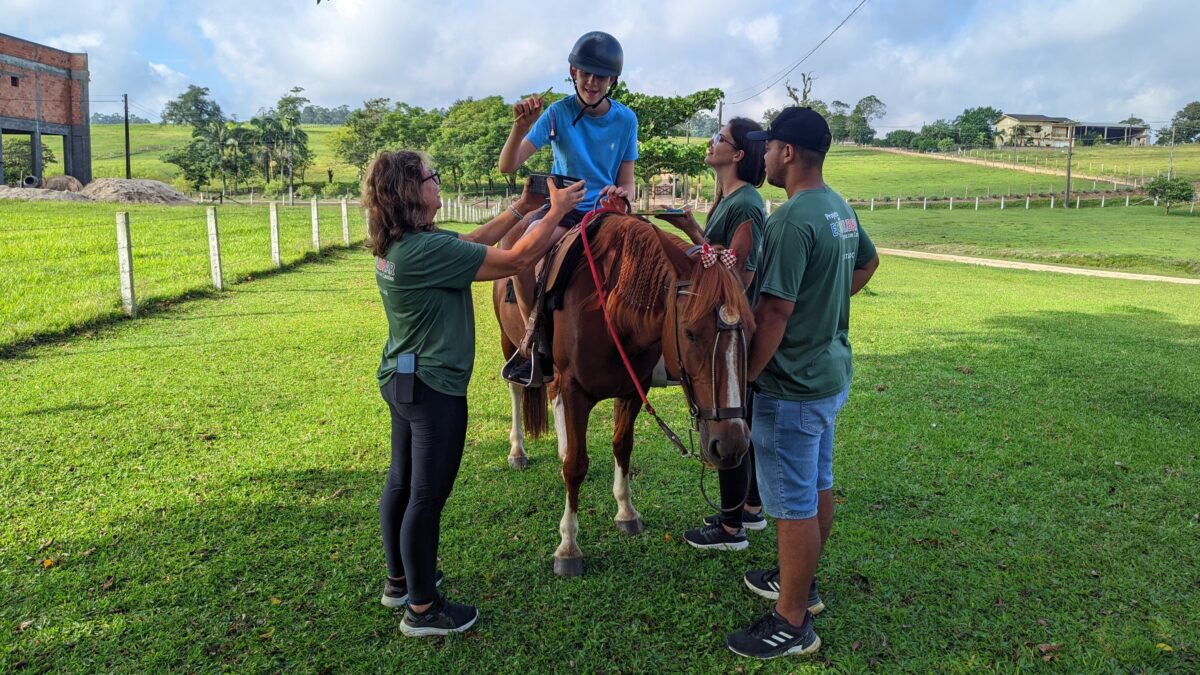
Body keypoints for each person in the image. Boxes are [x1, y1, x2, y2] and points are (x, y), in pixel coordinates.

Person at [365, 150, 585, 637]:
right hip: (434, 387)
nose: (438, 184)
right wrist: (556, 212)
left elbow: (472, 241)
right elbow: (518, 259)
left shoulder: (403, 243)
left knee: (401, 482)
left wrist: (520, 208)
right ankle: (422, 609)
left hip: (401, 377)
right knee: (427, 495)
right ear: (410, 191)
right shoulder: (425, 250)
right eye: (431, 178)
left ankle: (400, 581)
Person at [725, 107, 880, 659]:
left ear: (787, 152)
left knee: (790, 503)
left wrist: (744, 381)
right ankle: (803, 584)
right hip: (830, 373)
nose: (763, 155)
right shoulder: (838, 207)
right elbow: (868, 263)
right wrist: (828, 306)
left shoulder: (790, 219)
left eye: (768, 147)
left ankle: (791, 621)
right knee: (816, 483)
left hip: (791, 386)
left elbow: (772, 314)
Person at [496, 30, 638, 384]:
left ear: (613, 80)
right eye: (585, 73)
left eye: (600, 76)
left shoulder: (626, 120)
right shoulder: (558, 113)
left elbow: (628, 180)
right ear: (572, 72)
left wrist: (623, 193)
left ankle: (651, 345)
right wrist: (520, 128)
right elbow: (508, 166)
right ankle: (533, 340)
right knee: (521, 253)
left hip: (608, 214)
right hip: (563, 208)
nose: (592, 82)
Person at [656, 118, 769, 551]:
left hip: (728, 325)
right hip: (726, 321)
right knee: (740, 408)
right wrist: (689, 228)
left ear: (738, 154)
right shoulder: (730, 198)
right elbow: (715, 257)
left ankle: (729, 528)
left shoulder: (745, 205)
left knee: (726, 408)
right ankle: (750, 509)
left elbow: (735, 273)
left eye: (719, 138)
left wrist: (685, 237)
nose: (711, 142)